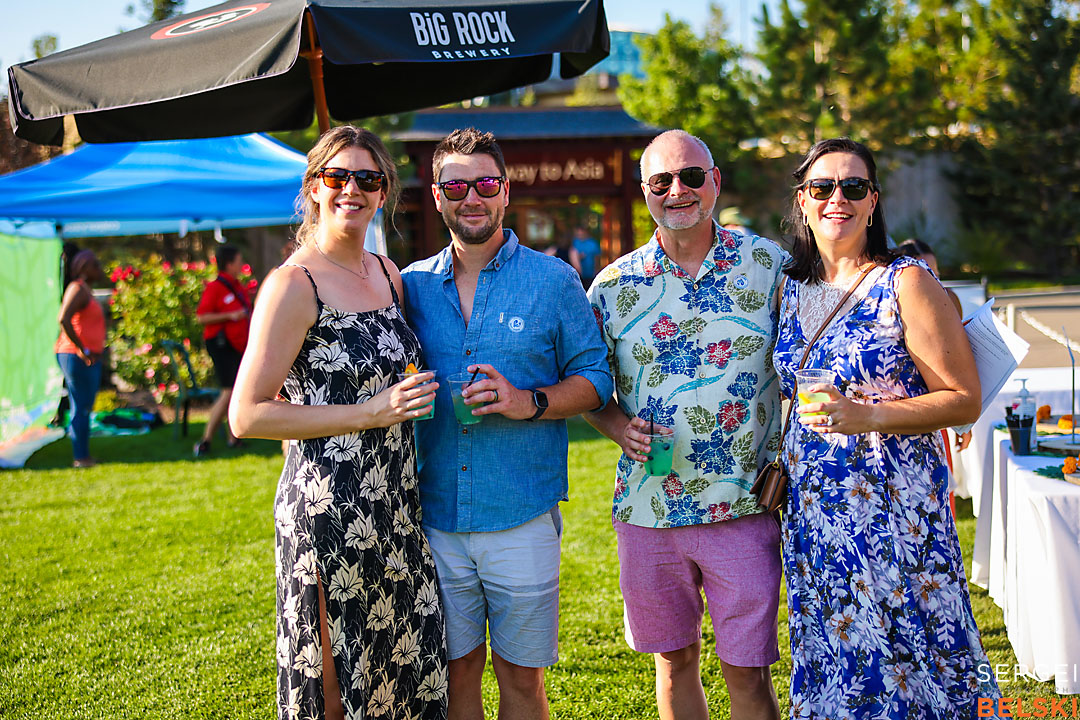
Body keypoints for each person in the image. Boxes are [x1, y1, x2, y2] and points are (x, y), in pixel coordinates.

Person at [772, 137, 999, 716]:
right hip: (818, 518)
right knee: (835, 658)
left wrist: (865, 415)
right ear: (802, 201)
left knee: (909, 661)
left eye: (853, 187)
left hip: (895, 516)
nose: (837, 199)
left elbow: (963, 399)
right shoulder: (790, 288)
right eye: (822, 188)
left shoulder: (906, 282)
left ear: (874, 201)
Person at [228, 126, 448, 720]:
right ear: (313, 189)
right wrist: (370, 412)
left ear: (384, 194)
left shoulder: (387, 273)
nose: (352, 188)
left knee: (399, 664)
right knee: (335, 677)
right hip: (328, 509)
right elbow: (246, 414)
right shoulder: (291, 285)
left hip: (397, 505)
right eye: (337, 177)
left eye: (368, 179)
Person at [401, 127, 612, 720]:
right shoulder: (409, 286)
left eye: (485, 183)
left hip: (521, 513)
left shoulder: (553, 280)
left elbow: (595, 379)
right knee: (454, 670)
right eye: (457, 185)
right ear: (437, 196)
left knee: (521, 679)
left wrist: (529, 402)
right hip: (436, 515)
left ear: (505, 192)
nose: (473, 197)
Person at [586, 129, 786, 720]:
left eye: (692, 176)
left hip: (744, 508)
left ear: (715, 181)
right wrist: (618, 427)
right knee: (673, 666)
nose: (679, 190)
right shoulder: (613, 288)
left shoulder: (770, 268)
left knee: (747, 672)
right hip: (651, 510)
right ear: (644, 192)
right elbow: (591, 389)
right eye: (662, 181)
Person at [193, 244, 251, 456]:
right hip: (222, 345)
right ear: (229, 263)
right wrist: (230, 316)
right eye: (238, 261)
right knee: (229, 391)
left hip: (236, 345)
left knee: (235, 390)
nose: (241, 264)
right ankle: (205, 440)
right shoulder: (216, 287)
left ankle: (232, 438)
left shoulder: (236, 286)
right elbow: (202, 317)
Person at [55, 249, 107, 468]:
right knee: (80, 405)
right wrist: (82, 349)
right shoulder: (77, 289)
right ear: (84, 267)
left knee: (84, 406)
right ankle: (80, 457)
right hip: (75, 356)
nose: (99, 268)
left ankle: (83, 454)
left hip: (87, 357)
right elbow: (63, 318)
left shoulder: (85, 290)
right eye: (95, 264)